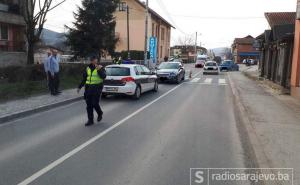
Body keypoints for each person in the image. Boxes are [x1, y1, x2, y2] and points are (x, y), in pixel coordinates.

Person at [77, 56, 106, 126]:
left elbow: (103, 76)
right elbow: (84, 79)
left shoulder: (100, 67)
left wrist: (99, 70)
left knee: (95, 103)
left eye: (95, 59)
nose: (94, 61)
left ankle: (100, 113)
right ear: (91, 61)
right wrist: (79, 87)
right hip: (88, 89)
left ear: (97, 60)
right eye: (92, 60)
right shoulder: (88, 68)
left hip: (97, 88)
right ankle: (90, 120)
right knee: (89, 105)